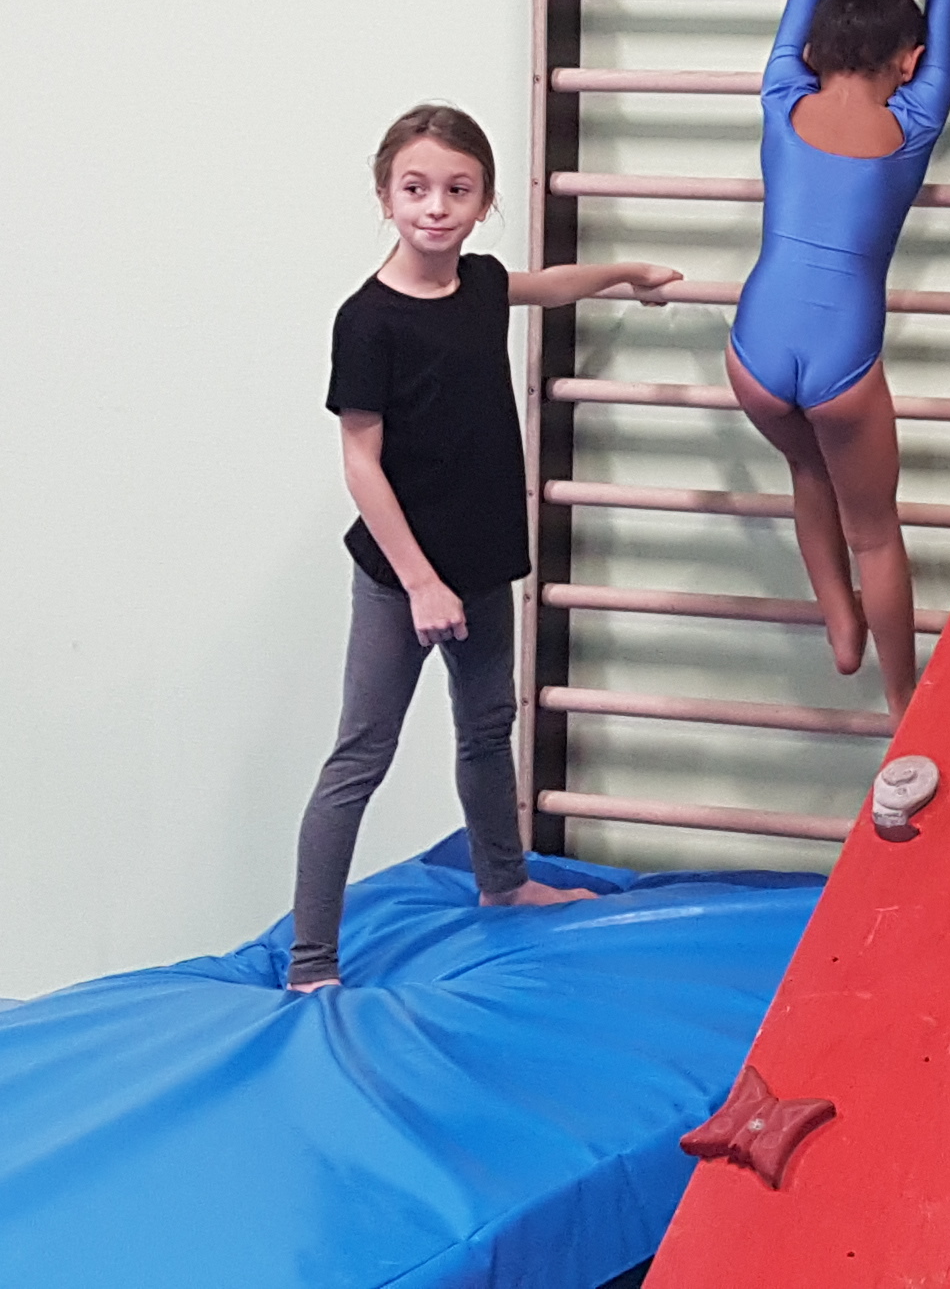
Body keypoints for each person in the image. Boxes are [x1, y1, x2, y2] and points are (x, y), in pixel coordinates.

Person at [287, 103, 682, 994]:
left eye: (458, 191)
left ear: (485, 201)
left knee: (486, 729)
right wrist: (421, 583)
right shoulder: (368, 320)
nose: (436, 207)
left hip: (481, 560)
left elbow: (546, 286)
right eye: (416, 189)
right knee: (360, 756)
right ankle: (312, 960)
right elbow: (360, 463)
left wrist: (626, 273)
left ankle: (503, 882)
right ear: (385, 197)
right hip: (401, 575)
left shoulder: (479, 285)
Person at [726, 0, 950, 718]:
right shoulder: (916, 120)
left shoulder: (780, 94)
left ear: (814, 46)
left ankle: (840, 627)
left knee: (807, 473)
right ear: (909, 60)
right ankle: (901, 702)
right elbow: (949, 8)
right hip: (843, 361)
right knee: (875, 533)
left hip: (753, 350)